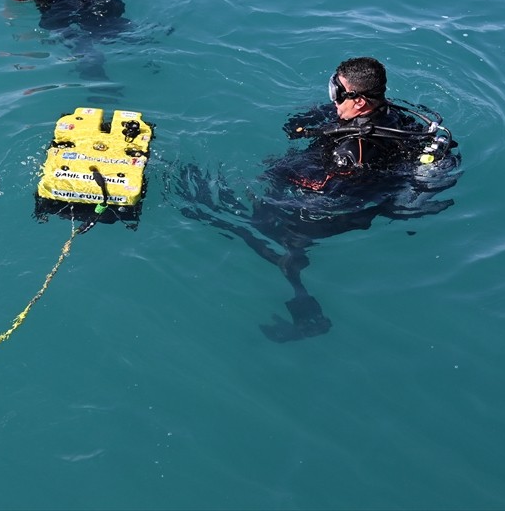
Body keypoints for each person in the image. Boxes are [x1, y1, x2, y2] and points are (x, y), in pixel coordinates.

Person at [178, 56, 460, 342]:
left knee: (258, 230)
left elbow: (330, 193)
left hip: (336, 210)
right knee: (261, 228)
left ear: (360, 101)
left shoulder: (351, 150)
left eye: (338, 93)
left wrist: (284, 176)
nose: (333, 99)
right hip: (362, 188)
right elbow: (299, 126)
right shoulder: (391, 116)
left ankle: (309, 316)